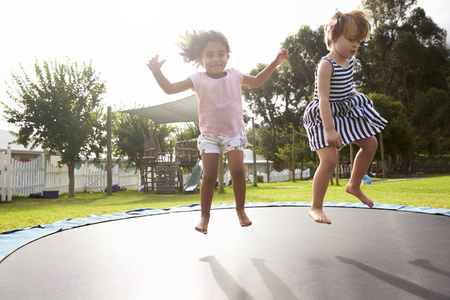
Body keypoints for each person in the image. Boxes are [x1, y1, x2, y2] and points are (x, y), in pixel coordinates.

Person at [147, 29, 289, 234]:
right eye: (210, 55)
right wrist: (157, 72)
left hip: (233, 133)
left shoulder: (234, 75)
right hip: (209, 136)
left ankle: (240, 210)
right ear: (200, 59)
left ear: (228, 57)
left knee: (238, 171)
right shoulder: (197, 79)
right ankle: (204, 216)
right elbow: (169, 88)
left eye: (221, 54)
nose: (216, 59)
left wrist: (275, 63)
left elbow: (257, 81)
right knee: (210, 175)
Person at [303, 9, 388, 224]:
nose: (355, 45)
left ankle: (354, 185)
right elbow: (323, 99)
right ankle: (316, 207)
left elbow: (346, 89)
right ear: (333, 37)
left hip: (343, 111)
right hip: (322, 115)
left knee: (370, 143)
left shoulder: (351, 61)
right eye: (351, 39)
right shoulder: (326, 65)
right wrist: (329, 129)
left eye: (358, 41)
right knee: (330, 161)